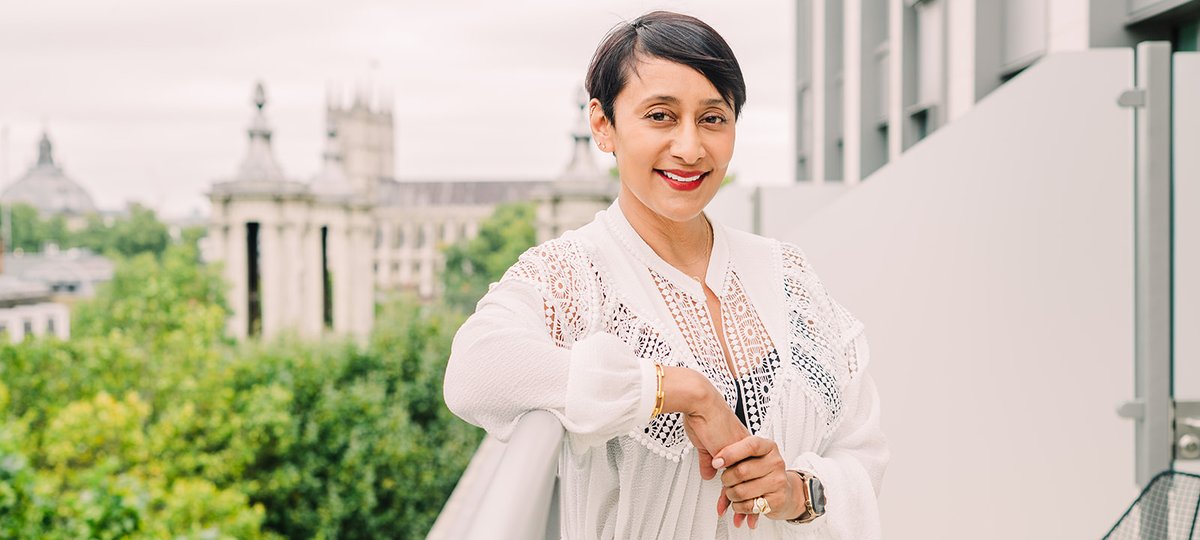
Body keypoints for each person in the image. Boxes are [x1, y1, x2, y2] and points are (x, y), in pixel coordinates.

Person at [444, 10, 887, 539]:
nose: (690, 147)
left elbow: (861, 442)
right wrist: (676, 389)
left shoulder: (786, 270)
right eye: (660, 115)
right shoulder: (575, 274)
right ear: (603, 124)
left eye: (713, 118)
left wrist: (793, 490)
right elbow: (477, 367)